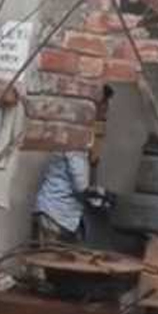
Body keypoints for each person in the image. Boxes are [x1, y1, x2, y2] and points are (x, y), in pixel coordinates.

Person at [33, 87, 112, 244]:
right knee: (48, 263)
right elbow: (81, 185)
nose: (105, 116)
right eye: (103, 110)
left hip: (60, 214)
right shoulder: (76, 137)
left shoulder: (80, 134)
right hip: (55, 214)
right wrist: (101, 195)